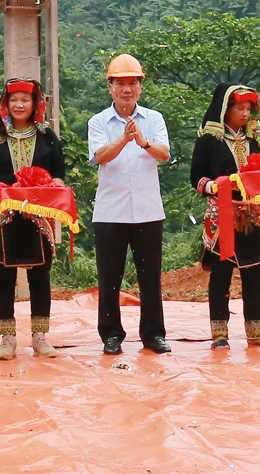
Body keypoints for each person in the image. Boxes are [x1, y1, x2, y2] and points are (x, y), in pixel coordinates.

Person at [0, 77, 66, 360]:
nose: (19, 104)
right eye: (14, 100)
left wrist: (51, 190)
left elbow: (59, 172)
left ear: (35, 104)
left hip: (39, 217)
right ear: (6, 103)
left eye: (25, 99)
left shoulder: (48, 136)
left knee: (41, 275)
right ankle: (7, 338)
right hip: (6, 217)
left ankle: (40, 336)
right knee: (4, 276)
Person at [89, 53, 172, 355]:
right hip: (111, 211)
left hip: (148, 211)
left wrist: (144, 142)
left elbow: (163, 153)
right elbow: (100, 156)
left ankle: (153, 334)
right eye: (120, 83)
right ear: (110, 86)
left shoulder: (154, 119)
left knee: (150, 277)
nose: (127, 89)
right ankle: (111, 334)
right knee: (110, 277)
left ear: (140, 87)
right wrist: (124, 139)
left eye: (132, 83)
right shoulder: (98, 122)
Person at [189, 83, 260, 350]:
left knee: (254, 272)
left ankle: (256, 332)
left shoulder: (254, 140)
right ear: (225, 109)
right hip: (222, 212)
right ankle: (219, 334)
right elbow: (196, 177)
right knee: (221, 274)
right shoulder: (208, 141)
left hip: (252, 213)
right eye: (240, 108)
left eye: (249, 109)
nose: (245, 114)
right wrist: (212, 186)